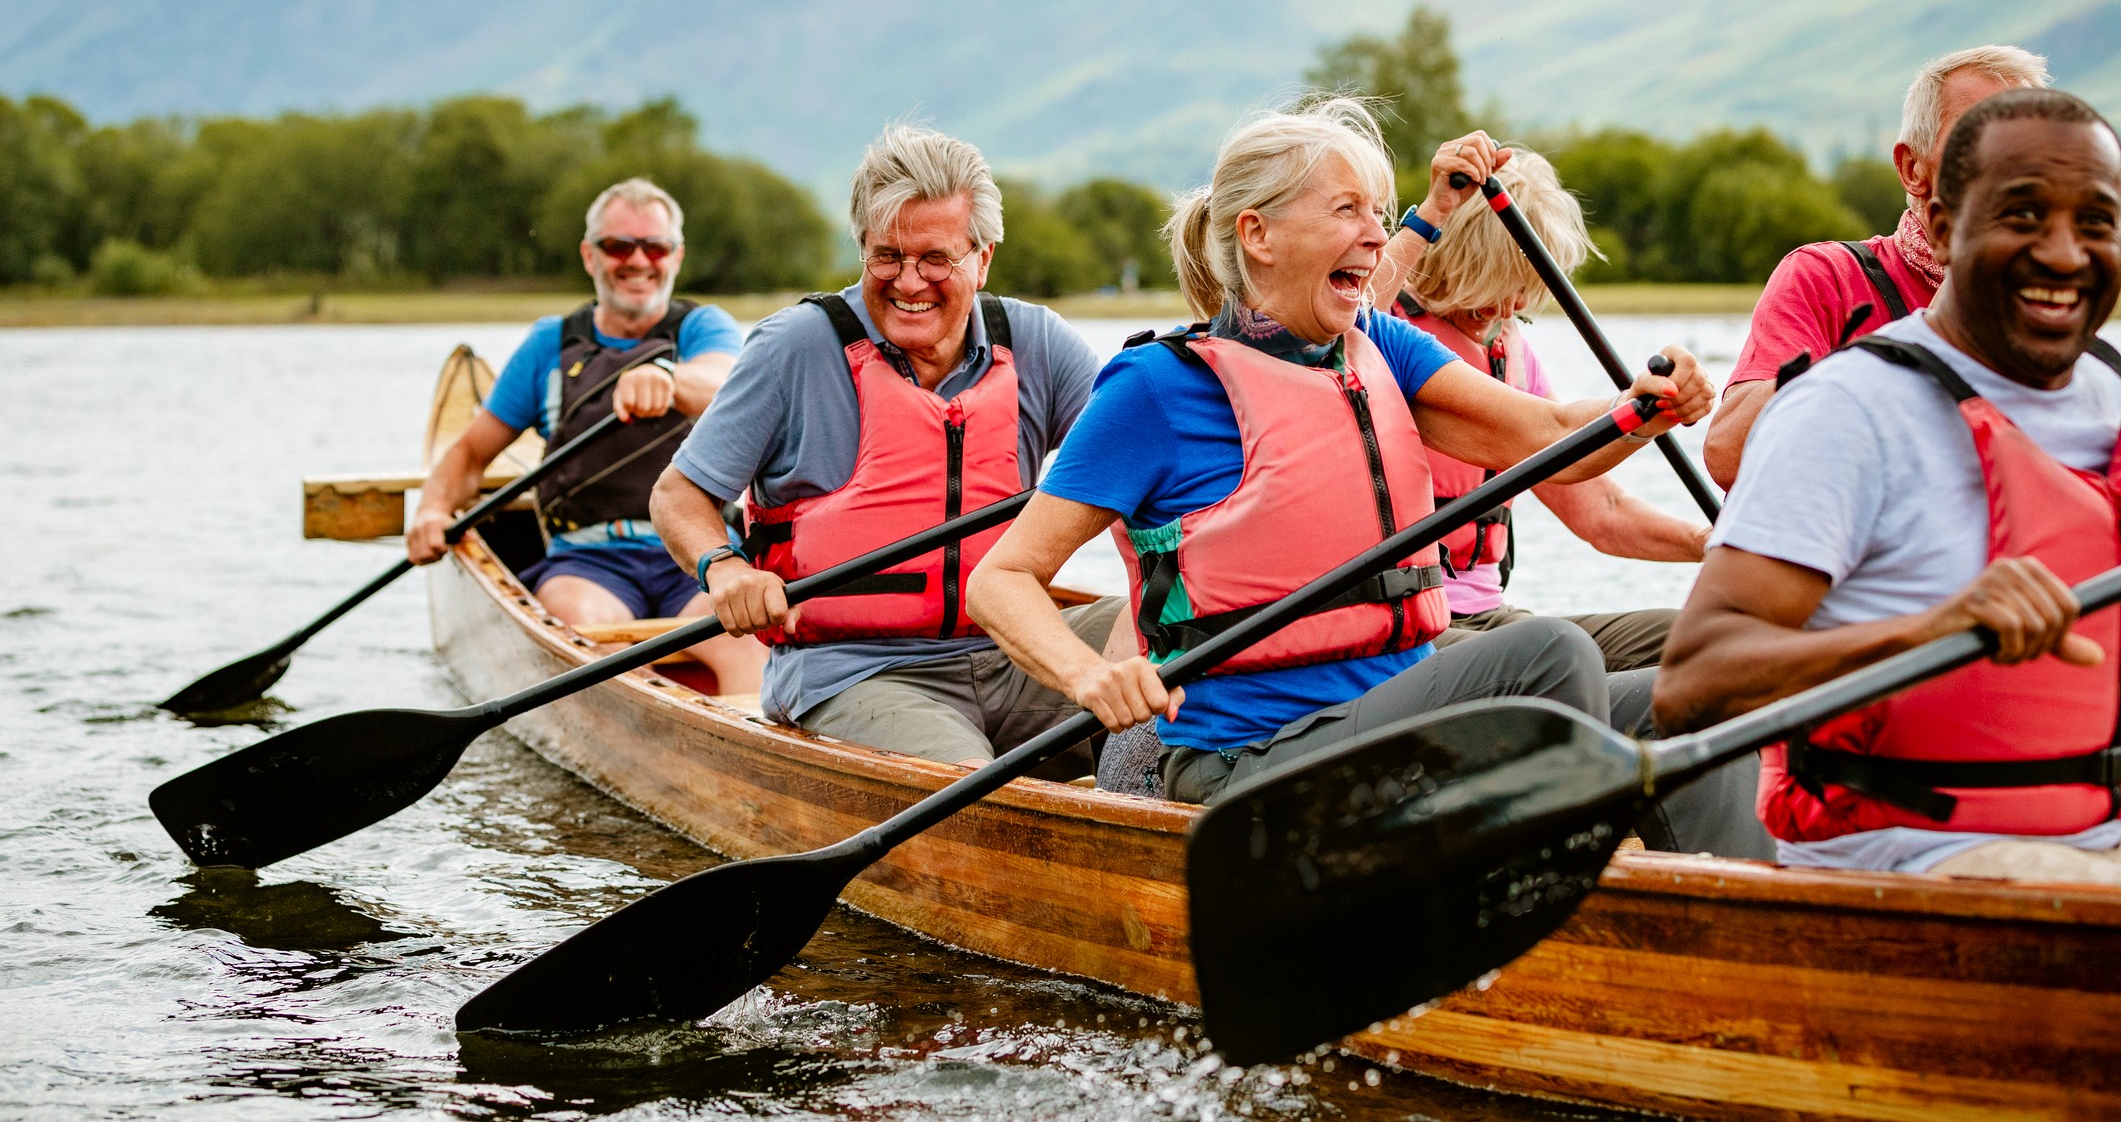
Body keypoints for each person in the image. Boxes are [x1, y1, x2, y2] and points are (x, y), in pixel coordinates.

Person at [965, 99, 1766, 857]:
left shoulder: (1382, 345)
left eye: (1379, 215)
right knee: (1549, 654)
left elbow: (1553, 438)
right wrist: (1092, 675)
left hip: (1395, 719)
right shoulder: (1154, 388)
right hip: (1248, 763)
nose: (1378, 238)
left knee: (1699, 693)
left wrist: (1642, 410)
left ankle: (1739, 928)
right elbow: (1003, 578)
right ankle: (1518, 905)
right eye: (1347, 210)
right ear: (1258, 235)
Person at [1656, 89, 2121, 882]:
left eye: (2096, 223)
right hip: (1908, 856)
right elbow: (1690, 684)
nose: (2064, 253)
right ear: (1941, 227)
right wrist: (1925, 631)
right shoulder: (1845, 411)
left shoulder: (2113, 394)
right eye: (2022, 216)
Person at [649, 124, 1123, 777]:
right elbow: (679, 494)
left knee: (1192, 637)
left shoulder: (1038, 341)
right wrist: (725, 569)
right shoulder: (793, 348)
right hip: (856, 672)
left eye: (935, 258)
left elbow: (1139, 466)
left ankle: (1159, 812)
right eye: (885, 257)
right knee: (961, 776)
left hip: (1016, 652)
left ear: (982, 258)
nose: (908, 282)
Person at [408, 176, 765, 693]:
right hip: (587, 563)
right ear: (590, 256)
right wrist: (431, 510)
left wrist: (669, 378)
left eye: (655, 247)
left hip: (700, 553)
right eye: (619, 245)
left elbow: (725, 387)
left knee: (749, 638)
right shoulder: (547, 346)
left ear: (676, 256)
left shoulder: (703, 328)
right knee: (585, 631)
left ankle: (751, 738)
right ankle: (652, 728)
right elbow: (468, 455)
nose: (638, 260)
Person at [1386, 144, 1710, 672]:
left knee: (1697, 640)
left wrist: (1710, 543)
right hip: (1412, 630)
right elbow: (1353, 317)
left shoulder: (1511, 351)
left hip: (1490, 618)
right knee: (1557, 654)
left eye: (1526, 292)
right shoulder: (1383, 338)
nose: (1512, 309)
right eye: (1500, 287)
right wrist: (1432, 211)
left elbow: (1600, 512)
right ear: (1459, 259)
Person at [1703, 45, 2051, 488]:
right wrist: (1922, 337)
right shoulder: (1826, 277)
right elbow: (1728, 456)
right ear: (1912, 168)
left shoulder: (2058, 301)